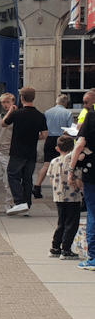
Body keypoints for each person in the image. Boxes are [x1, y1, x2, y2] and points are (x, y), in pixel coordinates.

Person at [2, 86, 48, 216]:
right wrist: (34, 136)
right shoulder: (40, 116)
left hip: (17, 151)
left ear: (22, 98)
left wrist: (10, 111)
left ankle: (19, 201)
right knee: (27, 179)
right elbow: (44, 135)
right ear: (33, 98)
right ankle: (27, 204)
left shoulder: (17, 113)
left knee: (12, 174)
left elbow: (4, 124)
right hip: (31, 153)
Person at [70, 90, 95, 269]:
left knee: (93, 213)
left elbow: (80, 144)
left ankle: (93, 258)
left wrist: (71, 169)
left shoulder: (91, 117)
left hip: (92, 172)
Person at [47, 135, 82, 260]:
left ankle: (55, 247)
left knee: (61, 222)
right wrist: (81, 189)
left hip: (59, 196)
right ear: (73, 147)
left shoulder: (54, 161)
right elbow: (77, 179)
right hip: (73, 196)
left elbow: (51, 179)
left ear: (57, 148)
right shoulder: (72, 161)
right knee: (71, 223)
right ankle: (66, 249)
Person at [33, 94, 74, 199]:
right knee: (65, 163)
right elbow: (69, 130)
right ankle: (63, 186)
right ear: (66, 103)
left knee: (46, 164)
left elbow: (44, 127)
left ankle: (37, 186)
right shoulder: (68, 113)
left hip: (50, 139)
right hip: (63, 140)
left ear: (56, 101)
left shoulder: (47, 112)